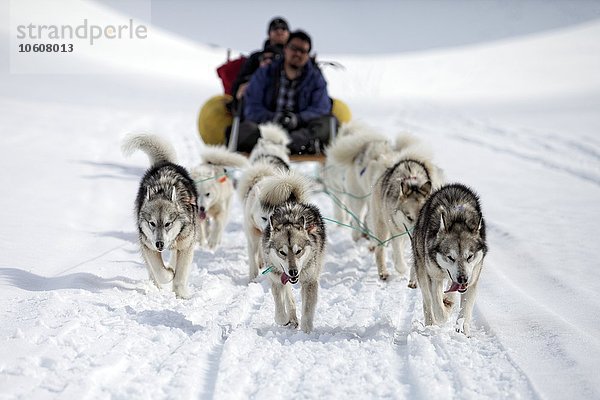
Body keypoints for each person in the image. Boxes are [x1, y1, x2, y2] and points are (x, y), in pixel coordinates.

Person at [235, 30, 334, 154]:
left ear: (308, 55)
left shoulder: (315, 78)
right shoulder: (265, 73)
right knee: (244, 130)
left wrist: (297, 119)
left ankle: (283, 144)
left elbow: (321, 108)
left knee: (327, 126)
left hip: (301, 130)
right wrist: (275, 118)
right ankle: (286, 144)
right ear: (285, 49)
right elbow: (252, 107)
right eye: (294, 48)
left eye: (303, 51)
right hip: (267, 128)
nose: (298, 53)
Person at [230, 17, 290, 109]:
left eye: (283, 29)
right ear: (269, 33)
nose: (279, 31)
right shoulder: (256, 57)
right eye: (275, 29)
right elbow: (240, 82)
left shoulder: (296, 59)